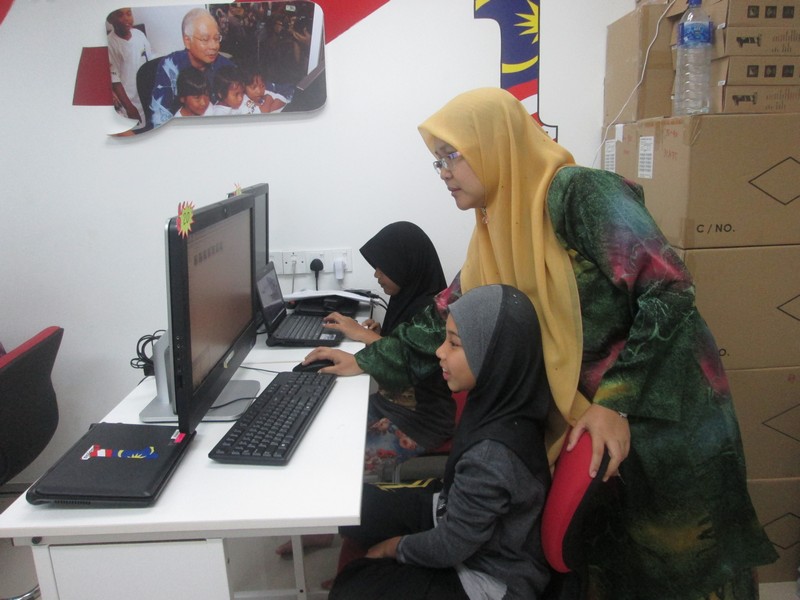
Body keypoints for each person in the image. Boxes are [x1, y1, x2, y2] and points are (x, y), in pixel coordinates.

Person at [328, 284, 552, 600]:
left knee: (354, 586)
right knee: (359, 508)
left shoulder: (491, 455)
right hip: (456, 516)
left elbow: (451, 545)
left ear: (493, 355)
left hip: (486, 575)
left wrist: (392, 548)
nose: (439, 352)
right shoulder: (500, 399)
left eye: (454, 344)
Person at [304, 221, 453, 480]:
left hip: (419, 421)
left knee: (335, 467)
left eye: (383, 268)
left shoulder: (435, 314)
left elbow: (409, 361)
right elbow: (407, 343)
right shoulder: (408, 297)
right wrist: (380, 336)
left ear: (405, 266)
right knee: (320, 431)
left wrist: (362, 338)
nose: (376, 275)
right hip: (390, 406)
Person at [149, 8, 234, 127]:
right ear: (187, 41)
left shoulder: (226, 66)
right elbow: (159, 119)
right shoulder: (170, 66)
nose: (214, 46)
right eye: (205, 39)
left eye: (216, 38)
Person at [106, 7, 152, 130]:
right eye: (120, 15)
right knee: (137, 131)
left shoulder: (139, 35)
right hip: (129, 101)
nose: (126, 18)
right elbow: (115, 80)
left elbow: (149, 62)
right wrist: (129, 107)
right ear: (111, 19)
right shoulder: (110, 44)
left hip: (145, 95)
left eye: (129, 13)